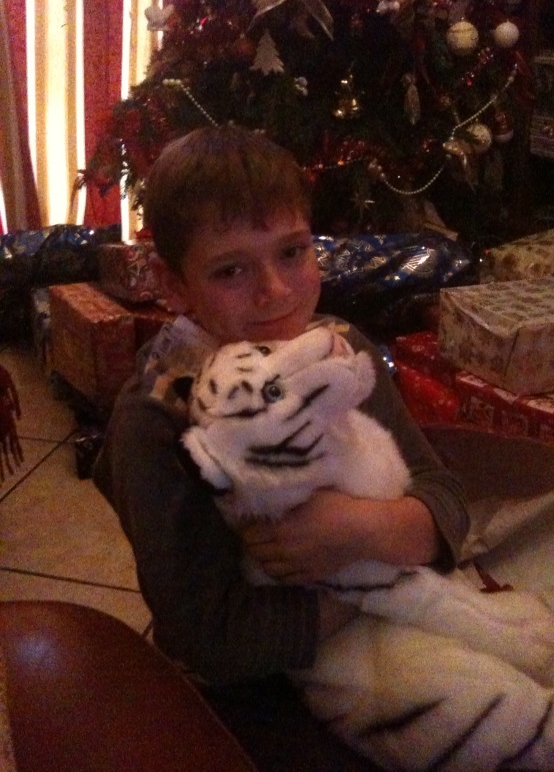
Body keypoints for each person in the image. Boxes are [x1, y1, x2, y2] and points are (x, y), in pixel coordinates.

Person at [93, 124, 469, 770]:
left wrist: (360, 530)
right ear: (174, 285)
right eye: (231, 269)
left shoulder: (344, 355)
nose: (275, 290)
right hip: (254, 702)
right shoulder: (154, 421)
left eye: (292, 252)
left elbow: (447, 503)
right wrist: (386, 577)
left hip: (396, 630)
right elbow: (212, 643)